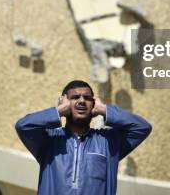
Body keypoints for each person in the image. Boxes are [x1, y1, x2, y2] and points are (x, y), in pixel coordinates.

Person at [15, 80, 152, 195]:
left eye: (87, 98)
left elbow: (142, 127)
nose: (81, 101)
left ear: (93, 104)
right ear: (64, 102)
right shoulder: (49, 141)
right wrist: (59, 111)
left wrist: (104, 110)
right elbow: (23, 126)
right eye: (75, 97)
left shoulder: (109, 142)